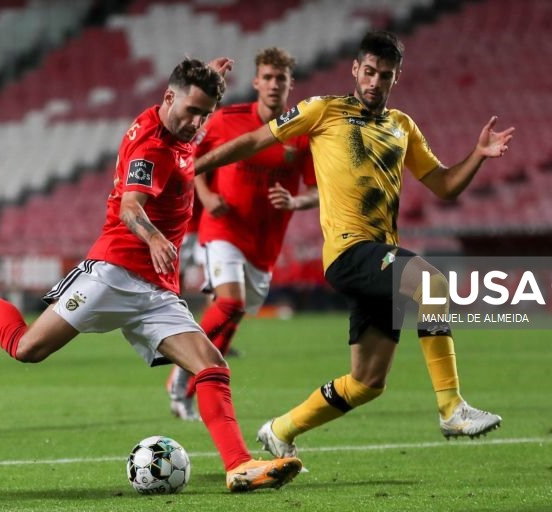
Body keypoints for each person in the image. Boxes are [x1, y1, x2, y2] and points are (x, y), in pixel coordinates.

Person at [0, 58, 302, 492]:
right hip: (114, 273)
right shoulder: (153, 147)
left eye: (206, 113)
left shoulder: (178, 117)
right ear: (169, 98)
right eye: (192, 111)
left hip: (156, 289)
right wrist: (152, 238)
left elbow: (188, 100)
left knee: (211, 365)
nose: (198, 123)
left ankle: (240, 465)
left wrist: (205, 80)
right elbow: (132, 205)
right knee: (26, 348)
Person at [194, 31, 515, 460]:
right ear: (354, 69)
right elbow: (256, 140)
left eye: (385, 75)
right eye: (368, 71)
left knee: (366, 382)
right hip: (349, 251)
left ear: (395, 78)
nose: (374, 81)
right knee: (431, 284)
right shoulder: (323, 110)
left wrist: (477, 155)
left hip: (378, 256)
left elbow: (443, 185)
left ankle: (280, 429)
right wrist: (193, 165)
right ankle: (451, 407)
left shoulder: (402, 127)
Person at [167, 47, 319, 421]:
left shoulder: (301, 134)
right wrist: (206, 195)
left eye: (280, 79)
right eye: (266, 77)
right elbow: (193, 157)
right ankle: (184, 370)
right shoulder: (227, 120)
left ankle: (187, 388)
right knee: (230, 304)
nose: (272, 84)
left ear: (289, 85)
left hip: (264, 243)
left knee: (232, 315)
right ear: (255, 82)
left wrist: (296, 202)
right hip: (222, 228)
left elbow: (319, 189)